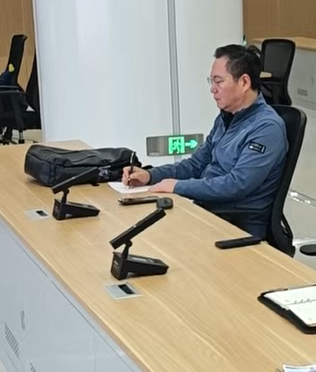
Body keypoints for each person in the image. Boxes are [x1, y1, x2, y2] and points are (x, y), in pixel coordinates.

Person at [122, 45, 287, 237]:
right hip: (208, 211)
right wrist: (150, 175)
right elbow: (196, 165)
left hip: (236, 225)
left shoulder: (267, 128)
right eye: (211, 81)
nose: (212, 89)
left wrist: (177, 186)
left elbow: (237, 185)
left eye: (219, 81)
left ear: (244, 82)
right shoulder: (227, 118)